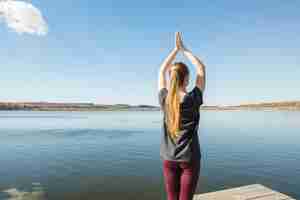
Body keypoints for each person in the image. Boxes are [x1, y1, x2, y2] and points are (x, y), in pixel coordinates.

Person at [158, 32, 206, 200]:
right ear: (186, 79)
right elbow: (201, 68)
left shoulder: (164, 99)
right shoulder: (193, 98)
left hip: (169, 158)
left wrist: (174, 50)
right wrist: (183, 49)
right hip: (189, 158)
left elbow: (161, 71)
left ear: (172, 79)